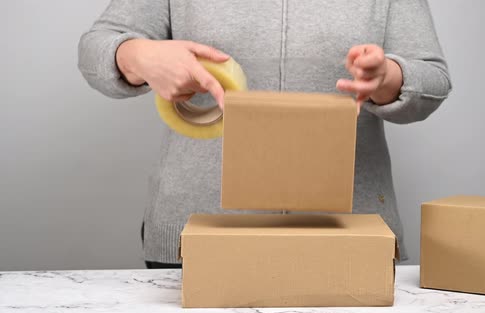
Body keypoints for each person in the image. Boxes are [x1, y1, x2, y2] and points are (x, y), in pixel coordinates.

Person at [78, 0, 451, 268]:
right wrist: (139, 55)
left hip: (349, 231)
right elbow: (96, 46)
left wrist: (389, 78)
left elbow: (433, 77)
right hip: (200, 231)